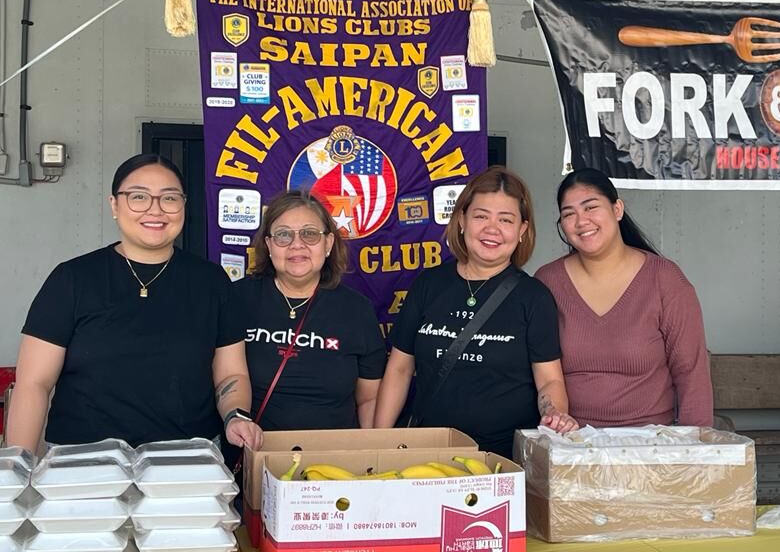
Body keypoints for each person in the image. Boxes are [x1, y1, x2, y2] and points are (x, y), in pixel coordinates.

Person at [7, 153, 263, 452]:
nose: (155, 209)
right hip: (82, 458)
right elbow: (33, 384)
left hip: (187, 457)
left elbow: (231, 373)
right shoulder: (73, 279)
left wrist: (235, 416)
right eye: (138, 197)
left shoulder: (211, 281)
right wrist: (17, 465)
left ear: (183, 205)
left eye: (169, 198)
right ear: (114, 205)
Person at [374, 167, 577, 457]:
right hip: (428, 454)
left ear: (522, 230)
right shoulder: (428, 285)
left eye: (505, 220)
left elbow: (549, 380)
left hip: (503, 459)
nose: (492, 229)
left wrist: (554, 413)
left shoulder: (534, 297)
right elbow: (399, 369)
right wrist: (379, 444)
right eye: (481, 216)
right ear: (461, 220)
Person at [535, 168, 713, 428]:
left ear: (617, 209)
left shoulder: (665, 279)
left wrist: (695, 446)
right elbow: (541, 373)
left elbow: (691, 372)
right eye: (569, 214)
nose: (581, 221)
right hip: (572, 441)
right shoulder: (548, 281)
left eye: (590, 207)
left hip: (650, 442)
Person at [234, 190, 385, 434]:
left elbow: (369, 399)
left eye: (310, 234)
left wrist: (369, 450)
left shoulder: (357, 310)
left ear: (328, 244)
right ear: (268, 245)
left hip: (332, 454)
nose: (297, 245)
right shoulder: (237, 299)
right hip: (252, 450)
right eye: (283, 235)